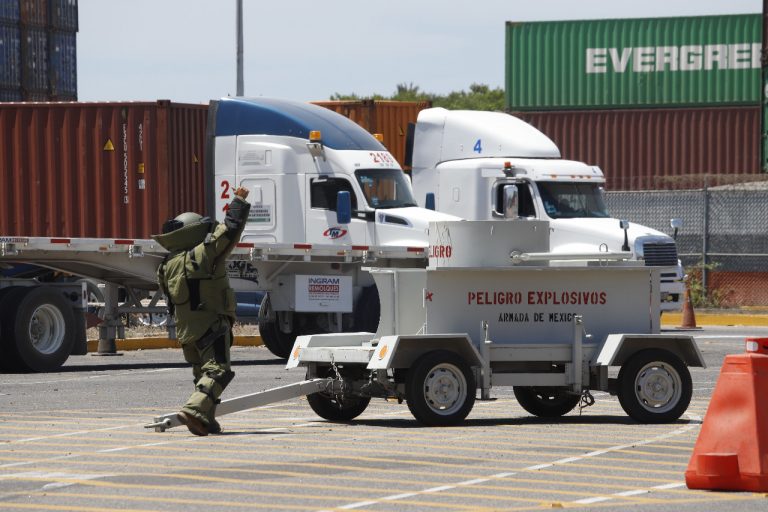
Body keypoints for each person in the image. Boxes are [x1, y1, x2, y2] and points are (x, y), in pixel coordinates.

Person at [152, 187, 251, 436]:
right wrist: (238, 202)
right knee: (218, 371)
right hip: (211, 324)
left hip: (187, 330)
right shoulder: (202, 254)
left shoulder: (166, 266)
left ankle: (206, 419)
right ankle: (195, 411)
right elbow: (229, 231)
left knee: (202, 374)